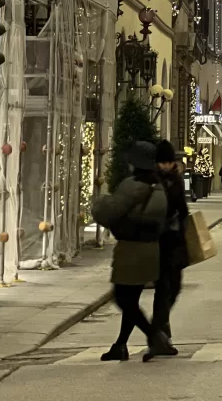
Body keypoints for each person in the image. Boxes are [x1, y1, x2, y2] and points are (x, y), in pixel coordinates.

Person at [92, 140, 174, 362]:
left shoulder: (132, 185)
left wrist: (100, 202)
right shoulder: (158, 185)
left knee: (122, 298)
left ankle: (153, 336)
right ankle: (120, 345)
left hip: (131, 249)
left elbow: (111, 212)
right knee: (131, 299)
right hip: (151, 248)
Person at [153, 140, 189, 349]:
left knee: (174, 287)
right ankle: (160, 333)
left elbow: (182, 207)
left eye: (168, 162)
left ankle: (158, 326)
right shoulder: (154, 180)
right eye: (162, 163)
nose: (166, 166)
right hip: (159, 241)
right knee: (162, 288)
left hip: (175, 240)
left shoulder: (177, 179)